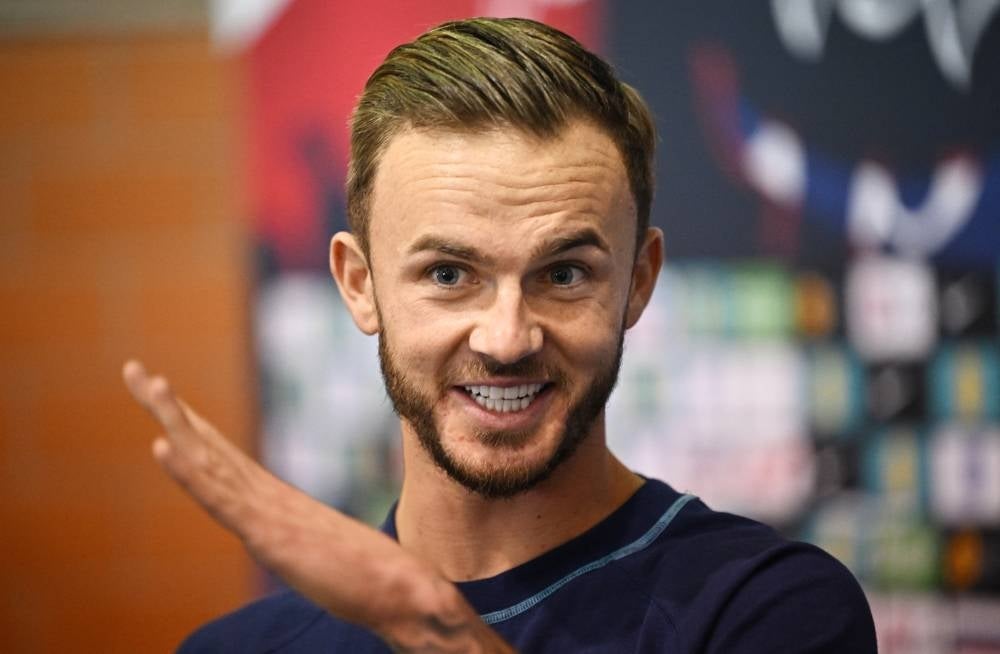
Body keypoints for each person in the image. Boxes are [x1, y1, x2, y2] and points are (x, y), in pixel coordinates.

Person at [123, 17, 877, 653]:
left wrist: (436, 630)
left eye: (564, 274)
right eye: (449, 274)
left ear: (639, 281)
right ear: (359, 284)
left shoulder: (770, 611)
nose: (508, 340)